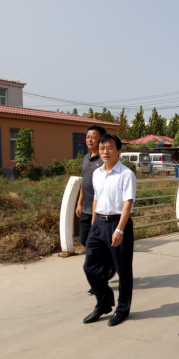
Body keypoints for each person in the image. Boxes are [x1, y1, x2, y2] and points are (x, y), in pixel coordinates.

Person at [82, 134, 137, 326]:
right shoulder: (97, 173)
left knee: (123, 270)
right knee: (90, 266)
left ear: (119, 151)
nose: (105, 152)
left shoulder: (126, 174)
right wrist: (94, 223)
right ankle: (104, 302)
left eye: (109, 148)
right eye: (102, 148)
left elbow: (128, 203)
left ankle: (122, 309)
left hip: (118, 223)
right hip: (99, 224)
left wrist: (120, 230)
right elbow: (96, 198)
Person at [75, 125, 115, 295]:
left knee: (96, 248)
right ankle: (111, 261)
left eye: (93, 137)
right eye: (87, 137)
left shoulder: (105, 159)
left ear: (101, 140)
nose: (89, 140)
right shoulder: (86, 158)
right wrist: (79, 202)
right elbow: (83, 183)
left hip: (100, 210)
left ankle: (100, 280)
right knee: (85, 241)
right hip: (86, 209)